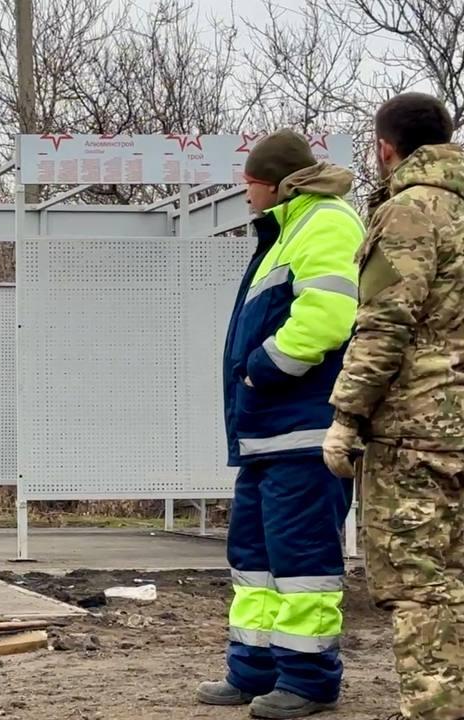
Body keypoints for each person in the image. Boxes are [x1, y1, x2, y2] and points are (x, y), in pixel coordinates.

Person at [199, 129, 366, 718]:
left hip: (300, 430)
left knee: (301, 564)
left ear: (272, 183)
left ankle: (309, 682)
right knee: (254, 560)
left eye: (249, 184)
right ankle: (253, 671)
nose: (245, 196)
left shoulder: (326, 220)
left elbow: (328, 315)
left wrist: (261, 369)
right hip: (266, 434)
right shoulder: (287, 228)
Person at [324, 92, 464, 720]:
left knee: (418, 586)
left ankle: (435, 710)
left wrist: (347, 416)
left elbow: (384, 325)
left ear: (386, 149)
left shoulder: (410, 212)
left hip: (419, 435)